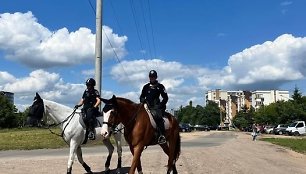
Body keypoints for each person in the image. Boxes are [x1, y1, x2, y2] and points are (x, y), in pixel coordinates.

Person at [140, 70, 168, 144]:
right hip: (147, 106)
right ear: (149, 77)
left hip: (156, 107)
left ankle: (162, 135)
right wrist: (143, 101)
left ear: (156, 77)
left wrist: (160, 105)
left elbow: (165, 98)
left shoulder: (160, 86)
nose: (152, 78)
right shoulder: (145, 87)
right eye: (151, 77)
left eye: (153, 77)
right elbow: (142, 97)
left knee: (158, 117)